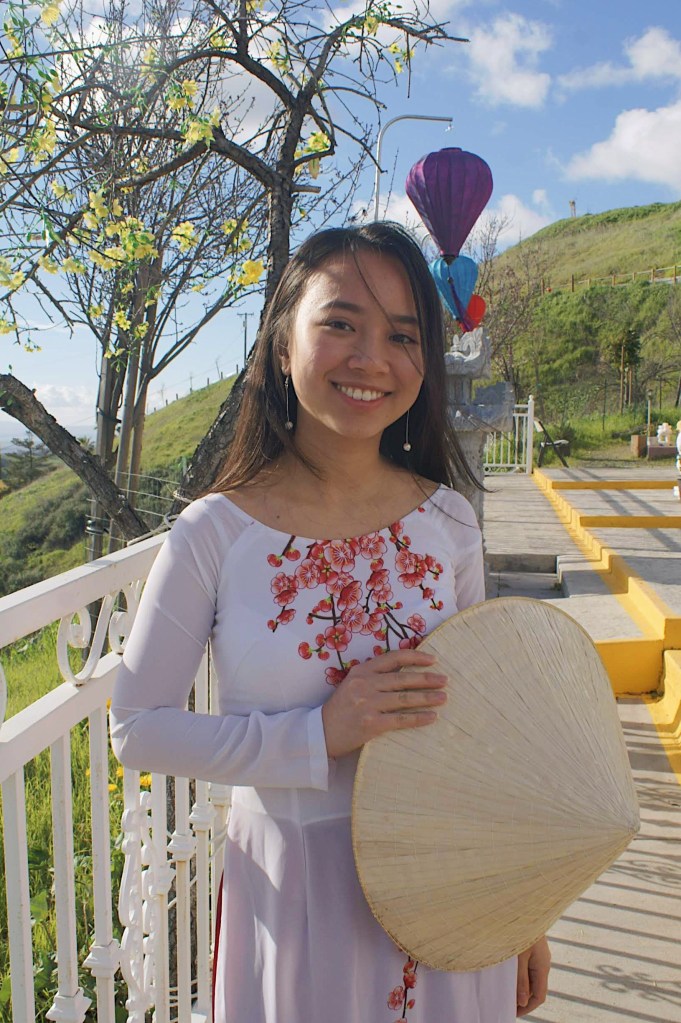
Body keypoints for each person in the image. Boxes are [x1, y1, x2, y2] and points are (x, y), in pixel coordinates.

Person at [110, 222, 551, 1022]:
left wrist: (520, 901)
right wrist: (318, 734)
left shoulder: (448, 522)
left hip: (451, 882)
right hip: (298, 900)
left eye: (402, 335)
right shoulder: (215, 532)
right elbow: (137, 728)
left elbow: (485, 727)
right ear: (283, 344)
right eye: (341, 323)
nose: (370, 358)